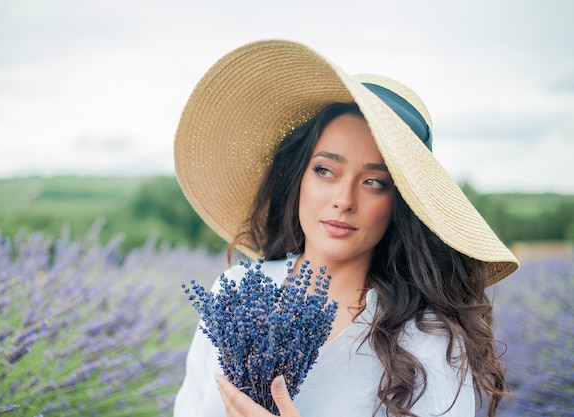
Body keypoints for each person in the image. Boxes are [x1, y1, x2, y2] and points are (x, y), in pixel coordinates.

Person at [172, 39, 519, 417]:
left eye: (374, 182)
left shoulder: (426, 338)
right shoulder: (235, 294)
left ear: (399, 206)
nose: (344, 199)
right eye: (325, 170)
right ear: (298, 177)